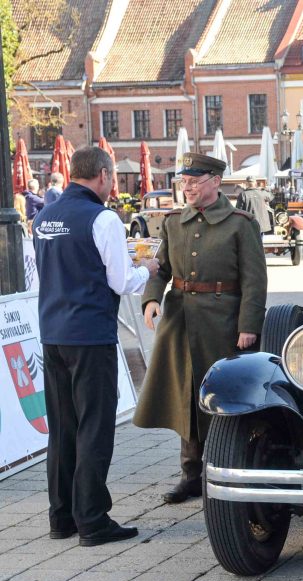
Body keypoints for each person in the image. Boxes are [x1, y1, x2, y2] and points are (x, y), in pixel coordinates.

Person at [33, 146, 159, 546]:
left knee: (62, 427)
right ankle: (92, 518)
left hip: (52, 333)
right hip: (89, 334)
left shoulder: (43, 216)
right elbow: (121, 282)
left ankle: (62, 516)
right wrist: (149, 270)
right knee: (94, 427)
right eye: (114, 179)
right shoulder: (102, 218)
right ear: (104, 176)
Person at [133, 152, 267, 504]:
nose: (187, 187)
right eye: (184, 181)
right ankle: (191, 474)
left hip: (222, 324)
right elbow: (161, 268)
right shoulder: (174, 221)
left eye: (194, 181)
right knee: (185, 396)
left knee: (222, 397)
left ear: (215, 181)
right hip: (180, 322)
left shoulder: (240, 223)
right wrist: (151, 299)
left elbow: (255, 281)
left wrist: (248, 326)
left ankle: (225, 469)